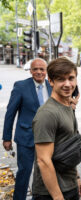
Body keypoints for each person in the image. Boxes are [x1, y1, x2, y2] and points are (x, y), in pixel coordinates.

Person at [32, 57, 81, 199]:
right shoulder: (47, 114)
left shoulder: (67, 106)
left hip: (69, 185)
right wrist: (58, 197)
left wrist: (76, 177)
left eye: (71, 78)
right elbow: (43, 160)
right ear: (51, 81)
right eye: (61, 79)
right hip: (50, 193)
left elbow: (69, 147)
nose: (68, 84)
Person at [2, 58, 51, 200]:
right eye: (35, 69)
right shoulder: (21, 86)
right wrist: (6, 137)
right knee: (24, 172)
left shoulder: (51, 86)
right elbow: (10, 112)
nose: (39, 72)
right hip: (26, 137)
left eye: (42, 69)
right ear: (30, 71)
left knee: (44, 172)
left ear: (46, 71)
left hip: (47, 138)